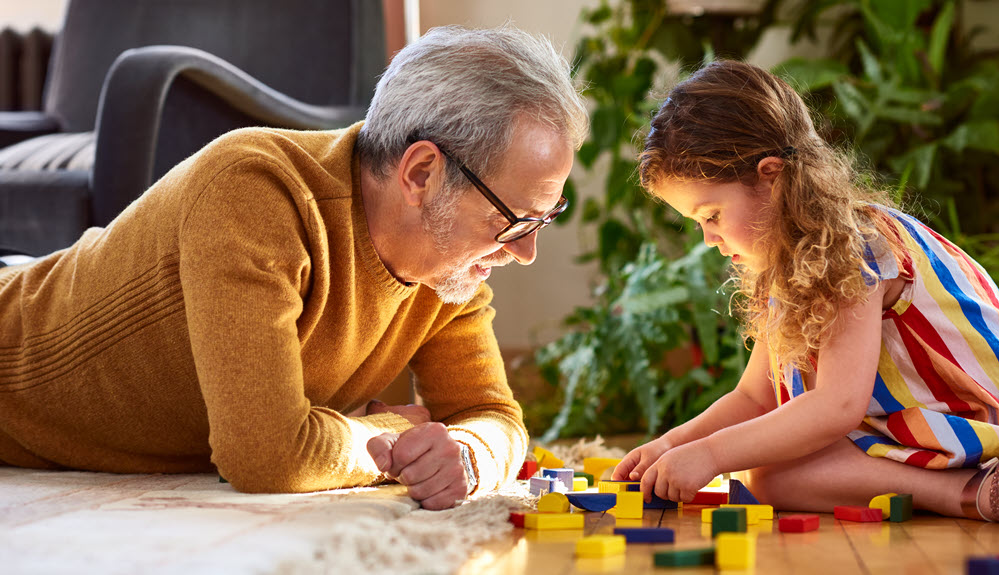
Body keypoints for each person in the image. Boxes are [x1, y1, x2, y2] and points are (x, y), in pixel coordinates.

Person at [0, 25, 588, 510]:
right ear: (420, 174)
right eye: (514, 219)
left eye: (543, 219)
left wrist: (466, 453)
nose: (524, 251)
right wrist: (391, 434)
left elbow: (493, 415)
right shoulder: (255, 191)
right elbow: (266, 455)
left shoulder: (449, 270)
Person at [614, 59, 999, 521]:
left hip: (974, 419)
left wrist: (712, 456)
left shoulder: (855, 246)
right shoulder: (788, 263)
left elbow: (836, 406)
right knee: (769, 477)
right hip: (916, 430)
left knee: (766, 470)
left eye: (711, 215)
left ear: (771, 178)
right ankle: (959, 487)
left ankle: (967, 491)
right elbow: (754, 398)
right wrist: (673, 444)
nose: (709, 239)